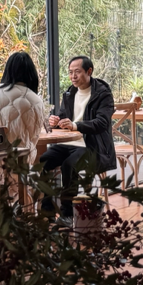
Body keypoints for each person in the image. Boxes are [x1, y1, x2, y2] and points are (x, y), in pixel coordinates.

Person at [40, 55, 115, 222]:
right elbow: (63, 119)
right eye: (70, 72)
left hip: (92, 146)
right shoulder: (69, 93)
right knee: (43, 161)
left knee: (69, 165)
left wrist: (75, 125)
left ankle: (67, 214)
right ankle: (47, 211)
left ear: (89, 71)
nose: (73, 76)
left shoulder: (103, 94)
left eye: (77, 72)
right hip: (69, 143)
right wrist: (55, 122)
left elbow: (102, 123)